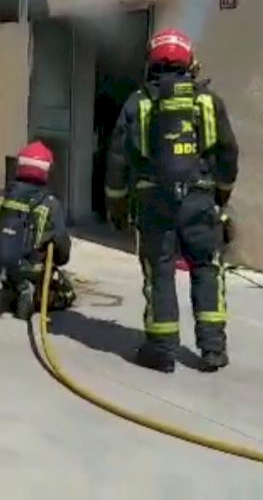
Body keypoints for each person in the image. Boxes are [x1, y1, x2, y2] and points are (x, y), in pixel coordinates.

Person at [104, 28, 240, 373]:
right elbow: (227, 152)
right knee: (207, 268)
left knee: (160, 273)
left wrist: (116, 204)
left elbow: (118, 157)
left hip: (154, 202)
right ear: (189, 61)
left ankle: (161, 350)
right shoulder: (207, 101)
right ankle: (213, 349)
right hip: (199, 199)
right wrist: (221, 193)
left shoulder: (139, 102)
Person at [0, 141, 75, 319]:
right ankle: (29, 289)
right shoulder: (50, 203)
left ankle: (14, 284)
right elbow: (61, 241)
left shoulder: (2, 196)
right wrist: (59, 259)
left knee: (12, 266)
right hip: (32, 265)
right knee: (66, 294)